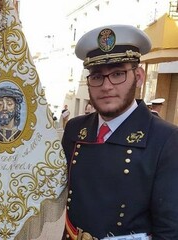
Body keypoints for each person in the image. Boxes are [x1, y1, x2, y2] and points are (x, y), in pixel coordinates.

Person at [61, 25, 178, 239]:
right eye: (97, 76)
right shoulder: (75, 129)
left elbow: (170, 228)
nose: (106, 86)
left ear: (139, 76)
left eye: (118, 74)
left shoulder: (166, 139)